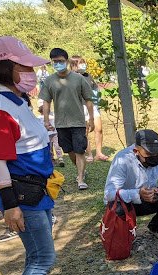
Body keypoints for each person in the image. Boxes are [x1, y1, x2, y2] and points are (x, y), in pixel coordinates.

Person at [0, 36, 56, 275]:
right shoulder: (0, 108)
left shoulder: (17, 100)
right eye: (25, 67)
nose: (32, 73)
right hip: (23, 194)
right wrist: (11, 205)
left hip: (38, 190)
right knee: (43, 258)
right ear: (5, 68)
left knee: (37, 256)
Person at [104, 129, 158, 240]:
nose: (155, 155)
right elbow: (109, 194)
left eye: (157, 152)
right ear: (136, 151)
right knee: (116, 210)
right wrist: (138, 194)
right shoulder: (122, 159)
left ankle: (155, 226)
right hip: (128, 203)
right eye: (150, 153)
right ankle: (124, 236)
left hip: (151, 199)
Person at [39, 47, 94, 190]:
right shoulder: (50, 81)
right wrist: (46, 121)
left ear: (67, 61)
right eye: (55, 61)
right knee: (70, 151)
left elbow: (88, 99)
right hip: (61, 123)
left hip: (78, 121)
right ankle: (82, 171)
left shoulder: (78, 78)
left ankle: (81, 179)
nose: (58, 63)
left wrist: (91, 119)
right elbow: (46, 101)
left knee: (80, 150)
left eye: (61, 61)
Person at [69, 55, 110, 162]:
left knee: (99, 128)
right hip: (80, 106)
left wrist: (96, 97)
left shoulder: (88, 76)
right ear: (74, 65)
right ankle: (89, 154)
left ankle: (99, 153)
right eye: (80, 63)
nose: (83, 65)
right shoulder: (71, 78)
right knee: (85, 131)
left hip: (92, 105)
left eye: (83, 62)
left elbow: (95, 88)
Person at [37, 100, 64, 167]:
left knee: (57, 146)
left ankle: (60, 158)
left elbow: (54, 118)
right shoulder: (40, 117)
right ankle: (52, 158)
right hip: (46, 135)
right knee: (50, 147)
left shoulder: (52, 115)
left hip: (54, 134)